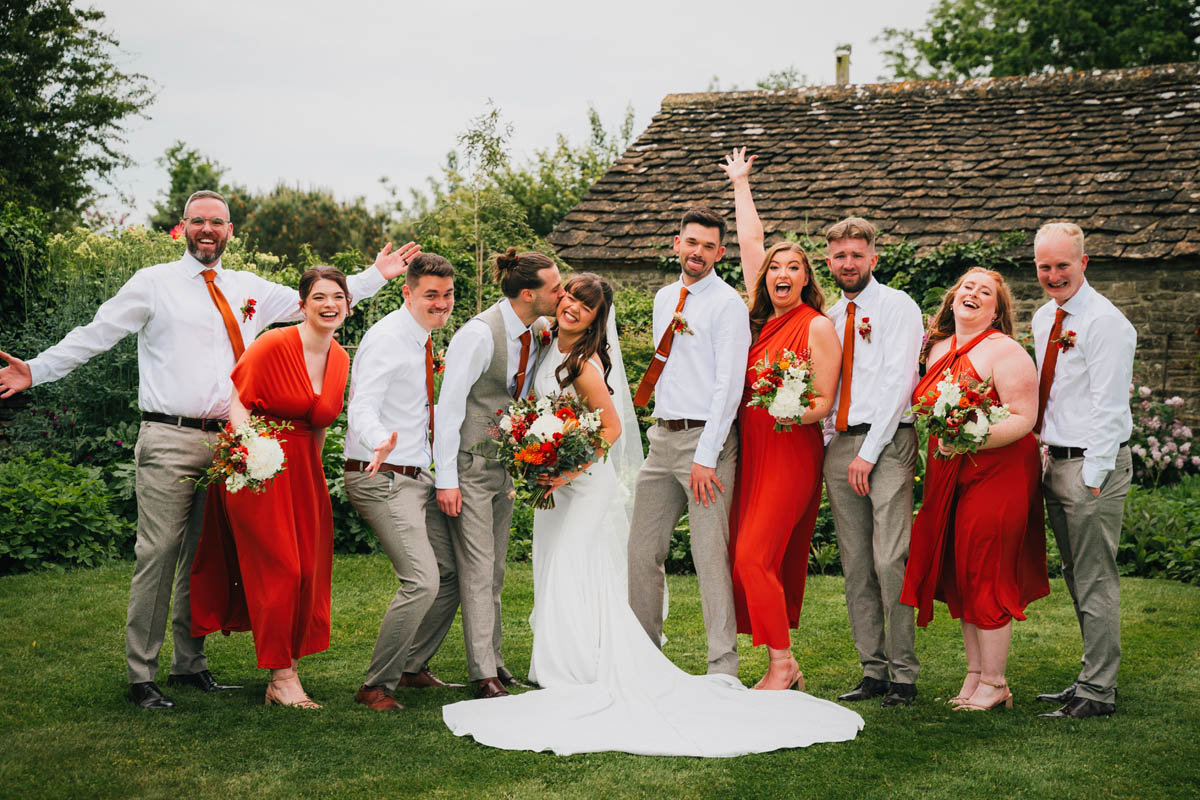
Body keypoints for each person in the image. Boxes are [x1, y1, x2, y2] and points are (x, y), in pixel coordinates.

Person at [0, 190, 417, 710]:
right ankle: (140, 674)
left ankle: (189, 664)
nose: (207, 229)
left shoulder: (250, 289)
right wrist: (36, 369)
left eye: (216, 222)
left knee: (204, 554)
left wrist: (376, 274)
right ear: (182, 227)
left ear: (230, 231)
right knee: (159, 552)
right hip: (170, 436)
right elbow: (96, 334)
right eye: (198, 220)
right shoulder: (153, 283)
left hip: (233, 442)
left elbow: (321, 299)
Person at [441, 274, 864, 756]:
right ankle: (572, 659)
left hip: (607, 471)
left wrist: (566, 469)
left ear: (599, 317)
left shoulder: (588, 361)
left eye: (585, 304)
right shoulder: (545, 341)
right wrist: (538, 453)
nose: (573, 307)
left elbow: (618, 424)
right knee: (574, 563)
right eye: (570, 298)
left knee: (644, 559)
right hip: (587, 464)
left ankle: (687, 666)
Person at [188, 266, 354, 708]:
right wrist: (249, 454)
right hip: (258, 469)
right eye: (319, 296)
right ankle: (282, 678)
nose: (329, 304)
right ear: (302, 304)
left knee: (306, 574)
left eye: (337, 296)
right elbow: (237, 398)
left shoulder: (340, 358)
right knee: (283, 570)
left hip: (303, 472)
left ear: (348, 306)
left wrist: (313, 480)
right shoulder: (274, 343)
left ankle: (288, 670)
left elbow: (318, 424)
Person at [899, 268, 1050, 712]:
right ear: (954, 297)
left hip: (997, 473)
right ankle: (975, 674)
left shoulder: (1005, 352)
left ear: (997, 310)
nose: (974, 294)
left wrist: (970, 437)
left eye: (986, 293)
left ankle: (997, 681)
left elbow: (1024, 418)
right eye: (968, 287)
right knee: (962, 573)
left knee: (987, 571)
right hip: (952, 474)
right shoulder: (937, 347)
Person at [720, 148, 841, 690]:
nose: (781, 273)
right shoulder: (756, 321)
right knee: (745, 556)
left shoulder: (816, 326)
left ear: (806, 278)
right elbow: (750, 243)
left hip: (792, 452)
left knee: (753, 556)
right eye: (775, 267)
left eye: (794, 267)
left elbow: (824, 403)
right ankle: (779, 661)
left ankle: (781, 664)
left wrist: (789, 407)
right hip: (754, 454)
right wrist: (741, 184)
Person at [627, 207, 751, 679]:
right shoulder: (664, 298)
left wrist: (706, 457)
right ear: (676, 243)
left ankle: (722, 666)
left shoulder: (727, 305)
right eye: (691, 242)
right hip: (662, 438)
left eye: (708, 246)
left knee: (708, 555)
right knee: (642, 551)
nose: (697, 252)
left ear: (720, 253)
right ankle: (643, 656)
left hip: (708, 442)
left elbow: (728, 385)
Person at [434, 248, 561, 699]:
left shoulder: (538, 329)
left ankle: (496, 660)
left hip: (503, 466)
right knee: (477, 567)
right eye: (555, 287)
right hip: (469, 465)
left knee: (496, 570)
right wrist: (446, 479)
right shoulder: (479, 335)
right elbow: (448, 407)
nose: (561, 294)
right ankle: (481, 672)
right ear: (529, 294)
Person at [342, 253, 463, 711]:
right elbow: (362, 406)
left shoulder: (422, 339)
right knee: (422, 581)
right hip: (382, 478)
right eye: (431, 295)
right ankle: (376, 685)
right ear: (407, 291)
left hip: (418, 478)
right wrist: (378, 440)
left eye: (447, 294)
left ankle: (412, 666)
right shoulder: (388, 339)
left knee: (451, 573)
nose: (441, 303)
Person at [1031, 222, 1136, 720]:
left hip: (1094, 464)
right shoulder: (1042, 318)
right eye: (1044, 267)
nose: (1053, 275)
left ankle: (1098, 692)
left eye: (1062, 266)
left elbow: (1110, 408)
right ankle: (1090, 676)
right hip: (1057, 462)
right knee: (1077, 575)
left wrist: (1093, 477)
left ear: (1083, 263)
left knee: (1095, 578)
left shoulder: (1104, 323)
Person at [821, 217, 925, 708]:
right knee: (857, 562)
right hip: (840, 443)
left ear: (873, 259)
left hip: (888, 442)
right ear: (829, 261)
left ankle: (904, 673)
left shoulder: (897, 306)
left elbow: (898, 382)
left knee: (890, 558)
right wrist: (830, 438)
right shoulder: (829, 315)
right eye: (840, 256)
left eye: (857, 255)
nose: (848, 263)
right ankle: (873, 670)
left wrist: (867, 453)